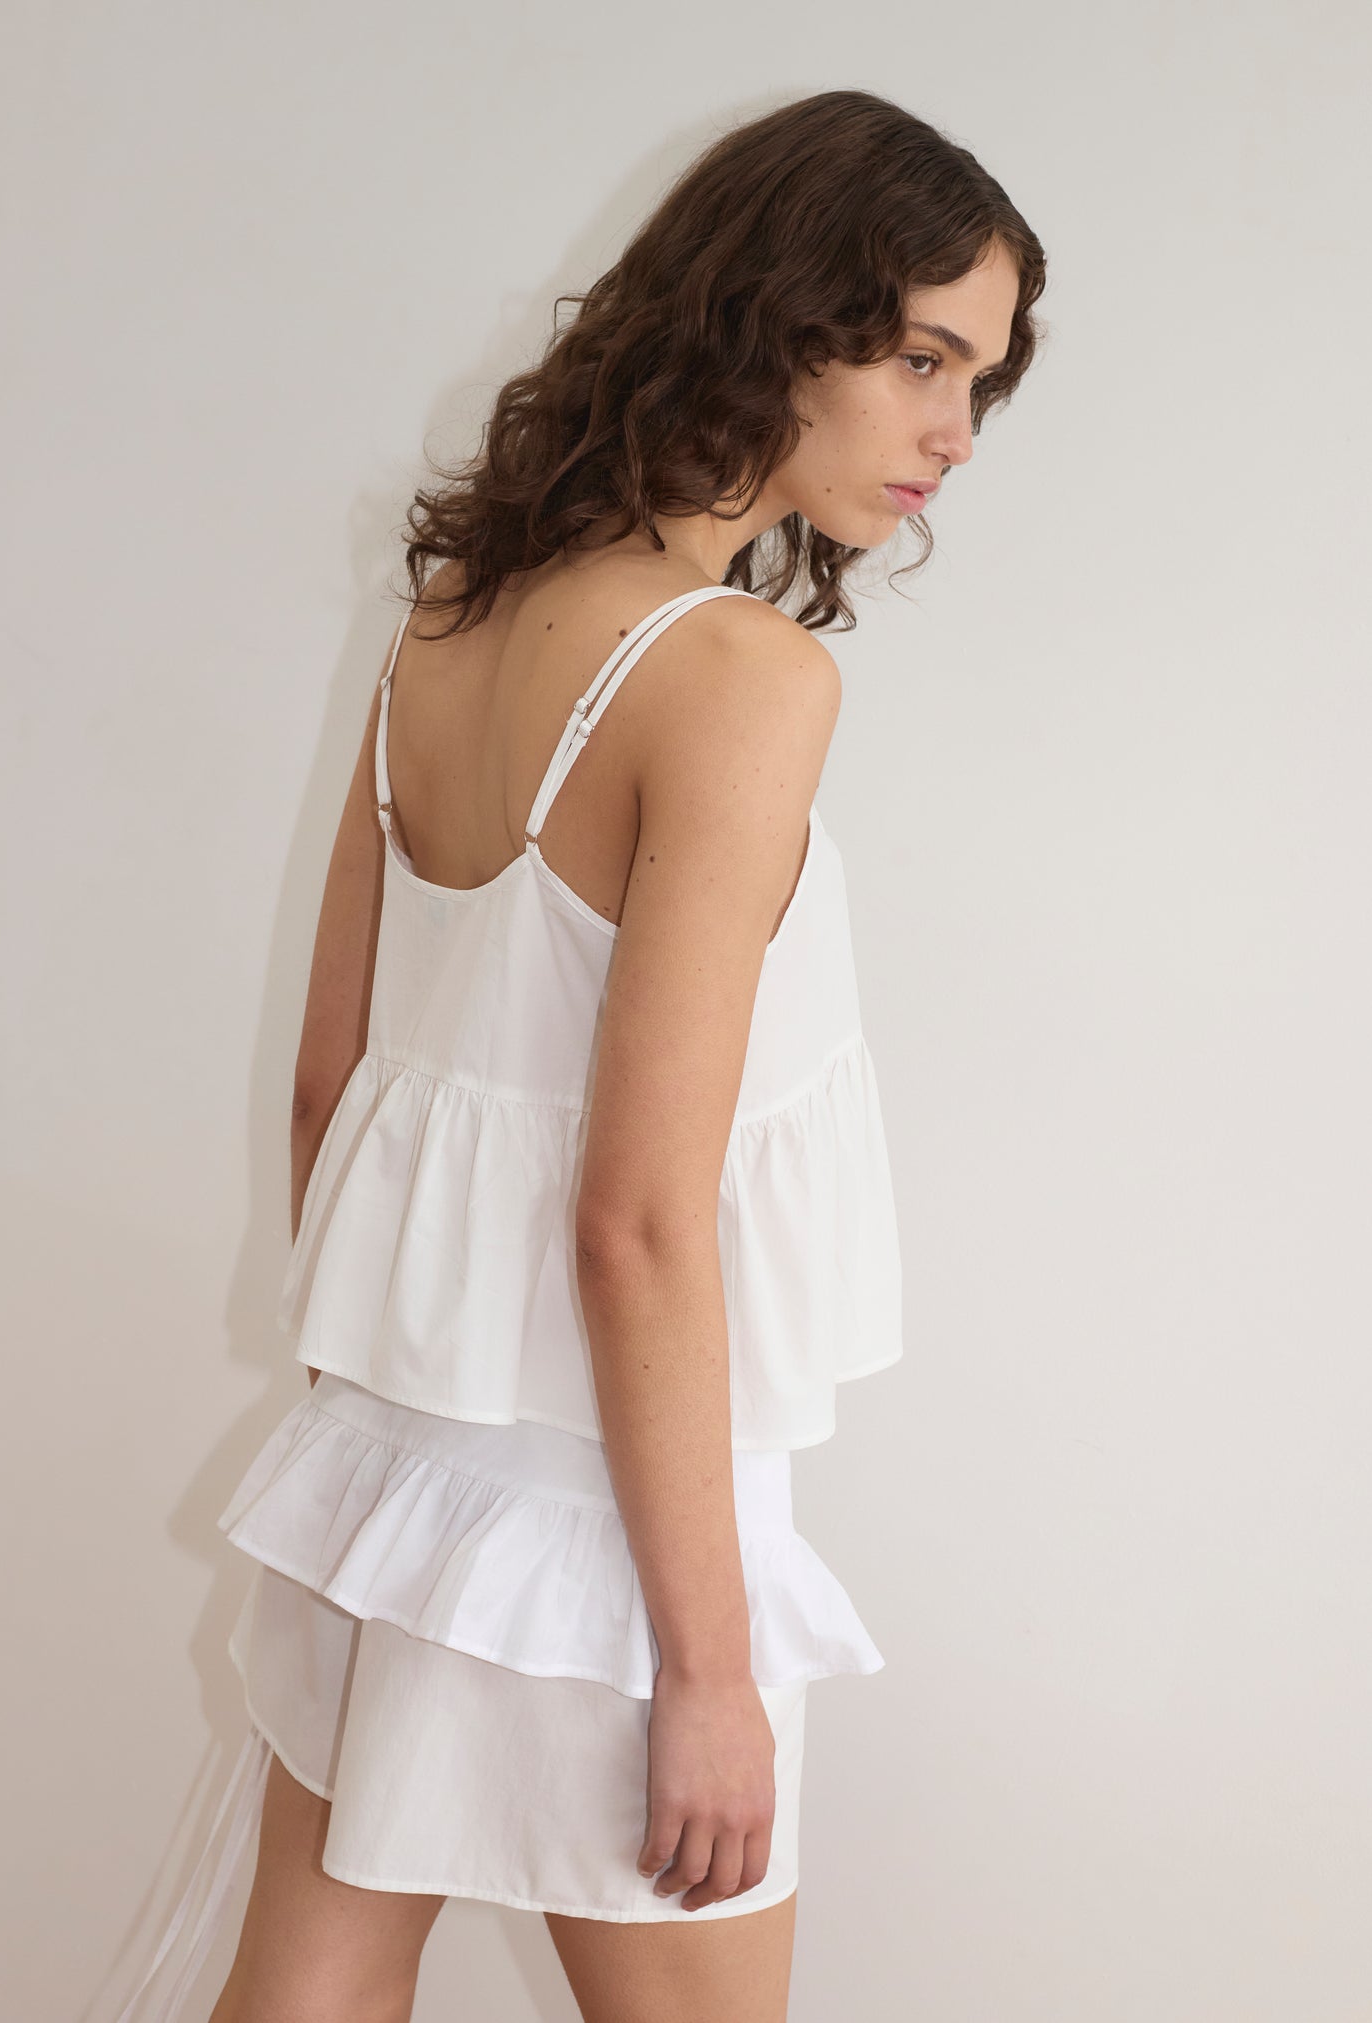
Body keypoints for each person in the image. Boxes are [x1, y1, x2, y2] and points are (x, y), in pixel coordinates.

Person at [111, 85, 1045, 2023]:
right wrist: (704, 1666)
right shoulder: (739, 678)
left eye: (981, 377)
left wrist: (385, 1434)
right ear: (776, 317)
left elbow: (329, 1089)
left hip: (399, 1470)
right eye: (919, 357)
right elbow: (637, 1214)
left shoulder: (454, 620)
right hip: (614, 1526)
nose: (956, 430)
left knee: (304, 1991)